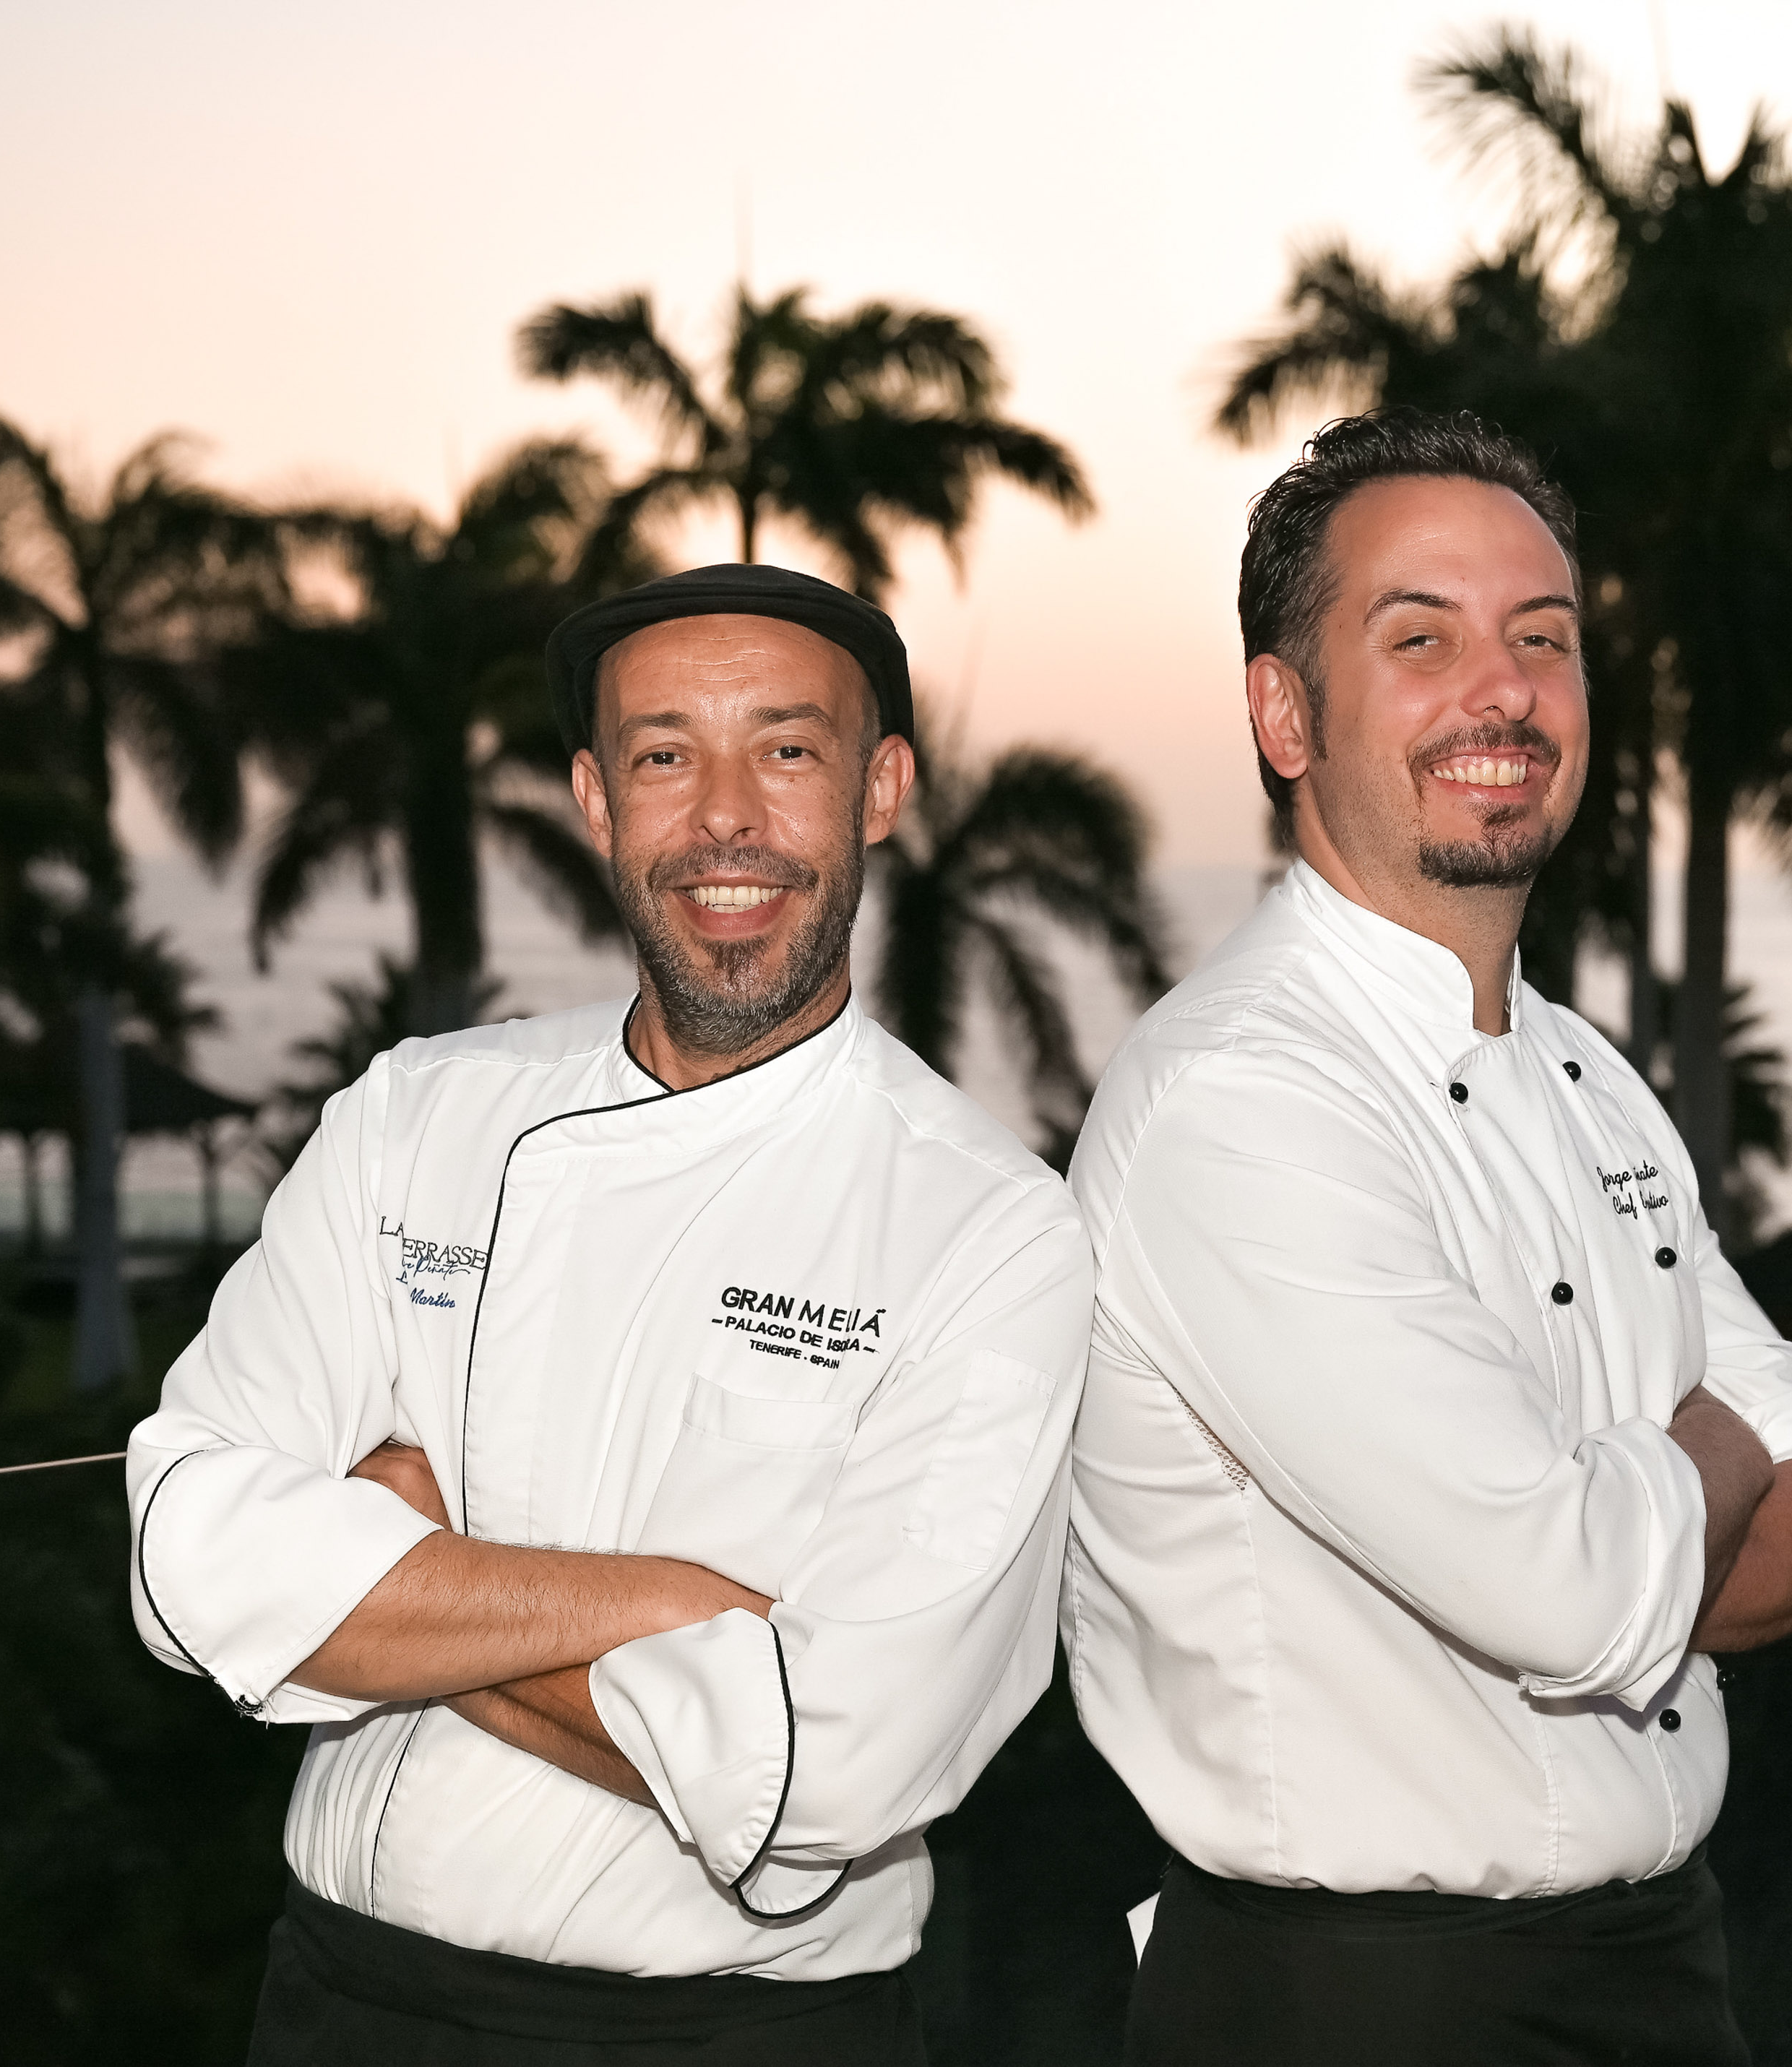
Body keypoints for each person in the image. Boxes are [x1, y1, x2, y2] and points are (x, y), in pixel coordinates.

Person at [126, 564, 1092, 2065]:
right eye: (662, 755)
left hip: (741, 2041)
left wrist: (392, 1579)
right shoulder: (416, 1115)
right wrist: (669, 1610)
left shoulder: (987, 1227)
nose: (723, 820)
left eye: (785, 751)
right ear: (593, 799)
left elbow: (837, 1768)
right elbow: (186, 1552)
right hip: (341, 2009)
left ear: (880, 788)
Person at [1064, 409, 1792, 2065]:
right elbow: (1572, 1589)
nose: (1498, 696)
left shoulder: (1588, 1080)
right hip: (1355, 2010)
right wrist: (1710, 1459)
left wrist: (1652, 1506)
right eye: (1417, 640)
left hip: (1663, 1968)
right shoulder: (1239, 1099)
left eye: (1541, 640)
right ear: (1282, 713)